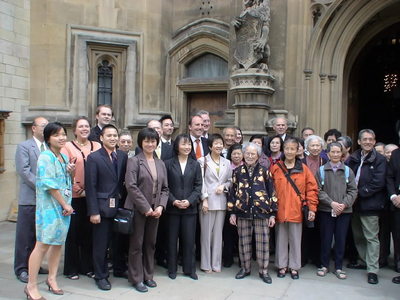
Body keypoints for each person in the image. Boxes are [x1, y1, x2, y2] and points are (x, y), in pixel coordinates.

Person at [25, 122, 75, 300]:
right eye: (56, 135)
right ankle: (31, 286)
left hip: (63, 208)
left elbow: (67, 182)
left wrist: (72, 172)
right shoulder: (45, 156)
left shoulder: (62, 157)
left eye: (63, 134)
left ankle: (52, 279)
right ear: (48, 138)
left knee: (58, 243)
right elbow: (50, 185)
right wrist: (65, 204)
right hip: (50, 208)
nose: (62, 138)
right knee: (42, 245)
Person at [124, 128, 169, 293]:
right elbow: (131, 186)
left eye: (153, 141)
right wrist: (146, 207)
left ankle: (148, 275)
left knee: (150, 243)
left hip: (155, 211)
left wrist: (160, 206)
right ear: (141, 143)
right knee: (136, 244)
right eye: (147, 141)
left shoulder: (160, 163)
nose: (150, 144)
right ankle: (136, 278)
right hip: (138, 210)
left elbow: (165, 189)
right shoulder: (134, 161)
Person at [85, 124, 128, 290]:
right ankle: (101, 275)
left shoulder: (123, 156)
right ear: (101, 138)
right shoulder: (94, 157)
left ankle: (119, 268)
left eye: (115, 135)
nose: (112, 138)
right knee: (101, 243)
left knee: (119, 241)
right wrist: (93, 211)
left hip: (120, 206)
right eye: (109, 135)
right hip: (102, 208)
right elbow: (91, 187)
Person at [228, 142, 277, 284]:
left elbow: (272, 192)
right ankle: (245, 268)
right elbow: (232, 193)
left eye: (253, 154)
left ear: (258, 156)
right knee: (243, 242)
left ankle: (264, 270)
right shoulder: (237, 172)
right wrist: (232, 212)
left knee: (263, 242)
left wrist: (273, 213)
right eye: (247, 153)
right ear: (243, 154)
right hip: (242, 211)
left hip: (261, 211)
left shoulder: (264, 171)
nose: (250, 156)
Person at [271, 138, 318, 280]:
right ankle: (281, 265)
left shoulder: (304, 169)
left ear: (298, 150)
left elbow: (312, 189)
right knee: (281, 239)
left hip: (296, 210)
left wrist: (312, 208)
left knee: (296, 239)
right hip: (280, 210)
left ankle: (294, 267)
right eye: (287, 149)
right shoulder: (276, 168)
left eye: (293, 149)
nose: (290, 152)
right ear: (283, 150)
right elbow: (270, 189)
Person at [62, 117, 101, 280]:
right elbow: (63, 169)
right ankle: (71, 268)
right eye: (81, 126)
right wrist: (75, 187)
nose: (85, 129)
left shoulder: (97, 145)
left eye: (87, 126)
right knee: (73, 233)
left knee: (89, 233)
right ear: (75, 130)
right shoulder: (67, 147)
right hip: (75, 196)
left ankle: (87, 266)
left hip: (93, 197)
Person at [348, 129, 387, 284]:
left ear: (374, 141)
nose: (368, 142)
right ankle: (364, 261)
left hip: (370, 204)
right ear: (359, 141)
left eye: (371, 139)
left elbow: (378, 182)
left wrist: (360, 193)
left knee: (371, 237)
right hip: (354, 204)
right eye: (365, 139)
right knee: (358, 236)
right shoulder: (354, 157)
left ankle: (372, 270)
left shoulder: (380, 160)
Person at [315, 142, 357, 280]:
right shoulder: (321, 170)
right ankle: (324, 264)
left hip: (343, 211)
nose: (335, 154)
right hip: (326, 210)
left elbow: (353, 190)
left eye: (338, 152)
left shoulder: (347, 171)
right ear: (327, 154)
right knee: (325, 238)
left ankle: (338, 267)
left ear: (342, 153)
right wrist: (331, 203)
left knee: (340, 239)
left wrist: (343, 204)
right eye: (332, 152)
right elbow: (318, 191)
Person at [14, 117, 49, 284]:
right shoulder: (24, 147)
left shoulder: (49, 148)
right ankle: (21, 268)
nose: (45, 129)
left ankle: (33, 265)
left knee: (38, 236)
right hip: (30, 199)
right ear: (33, 128)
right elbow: (25, 171)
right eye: (43, 126)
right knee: (25, 236)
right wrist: (45, 186)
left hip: (46, 200)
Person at [164, 134, 202, 280]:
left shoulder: (195, 164)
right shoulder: (168, 164)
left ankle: (189, 269)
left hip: (189, 209)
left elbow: (198, 186)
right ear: (177, 147)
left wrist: (190, 200)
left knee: (189, 240)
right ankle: (172, 269)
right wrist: (173, 201)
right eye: (183, 144)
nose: (187, 147)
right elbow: (165, 186)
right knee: (172, 240)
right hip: (172, 209)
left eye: (189, 145)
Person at [198, 134, 232, 273]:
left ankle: (216, 263)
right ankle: (206, 264)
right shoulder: (202, 161)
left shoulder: (227, 162)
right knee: (206, 234)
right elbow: (200, 182)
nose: (219, 146)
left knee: (218, 234)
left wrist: (224, 186)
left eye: (220, 143)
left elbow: (230, 180)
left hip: (221, 201)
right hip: (207, 202)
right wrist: (204, 199)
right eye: (216, 143)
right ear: (210, 146)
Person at [301, 135, 326, 268]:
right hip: (305, 201)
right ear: (307, 148)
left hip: (322, 201)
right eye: (312, 145)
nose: (315, 148)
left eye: (318, 146)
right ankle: (304, 257)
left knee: (319, 231)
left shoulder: (326, 162)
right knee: (305, 231)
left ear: (322, 147)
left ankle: (317, 258)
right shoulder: (301, 162)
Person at [223, 143, 243, 267]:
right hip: (227, 202)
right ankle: (228, 258)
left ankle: (242, 259)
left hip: (242, 205)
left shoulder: (246, 167)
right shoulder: (226, 166)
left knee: (241, 233)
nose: (236, 156)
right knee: (228, 233)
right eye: (234, 153)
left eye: (239, 153)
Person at [386, 147, 400, 283]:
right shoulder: (396, 154)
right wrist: (393, 196)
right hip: (397, 202)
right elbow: (389, 176)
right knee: (398, 235)